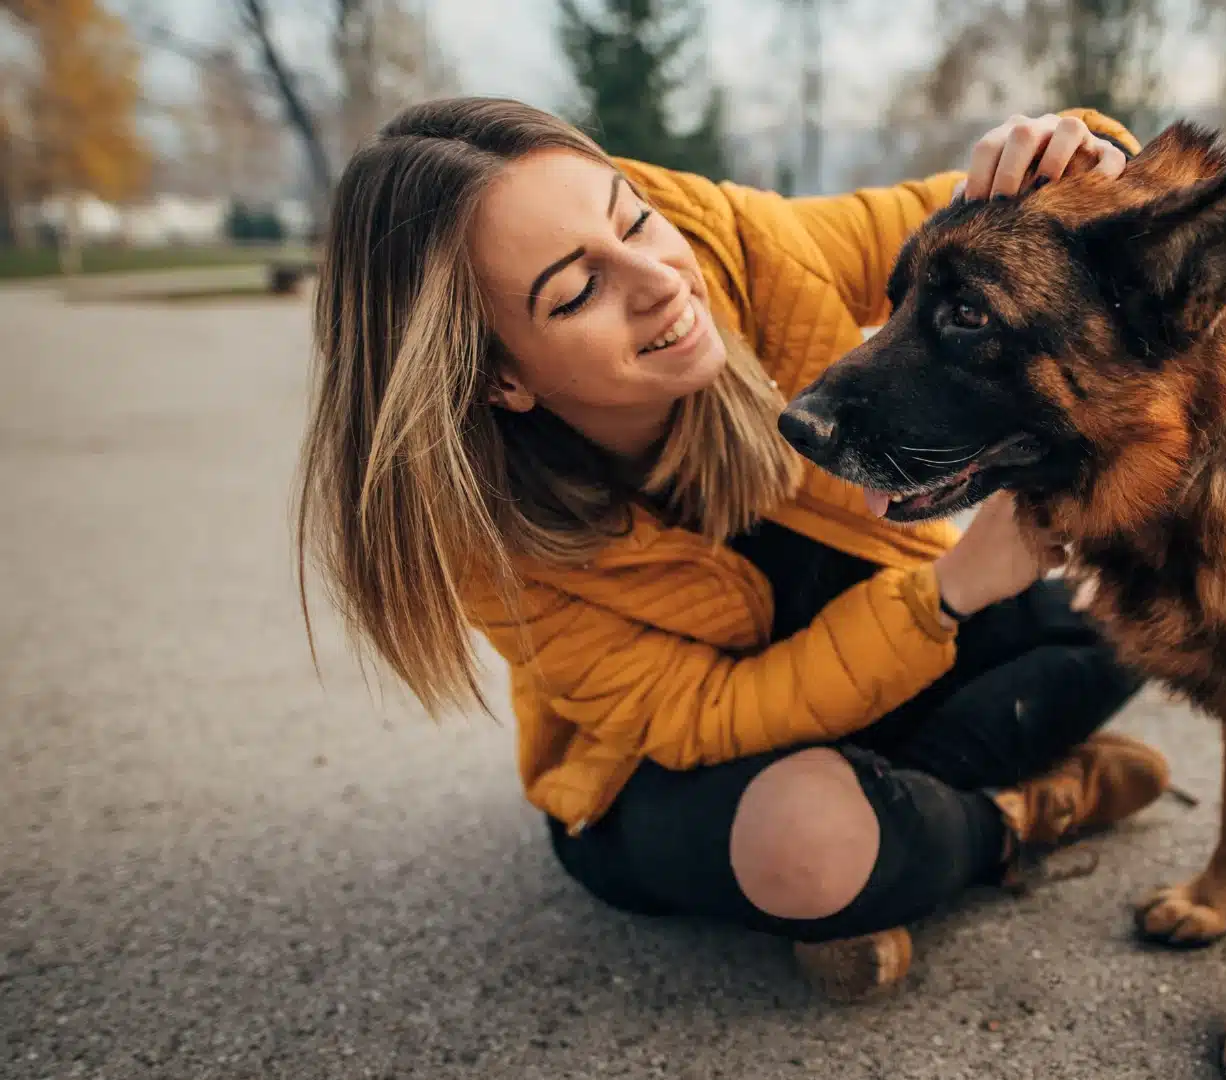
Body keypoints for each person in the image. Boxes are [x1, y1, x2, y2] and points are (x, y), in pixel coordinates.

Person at [295, 97, 1169, 1001]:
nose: (661, 278)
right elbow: (712, 714)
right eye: (577, 291)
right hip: (679, 776)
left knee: (1140, 599)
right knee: (809, 847)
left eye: (633, 216)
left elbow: (974, 231)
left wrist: (1083, 161)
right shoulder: (484, 535)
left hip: (873, 670)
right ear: (498, 378)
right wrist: (949, 591)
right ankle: (1013, 816)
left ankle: (901, 827)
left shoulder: (728, 241)